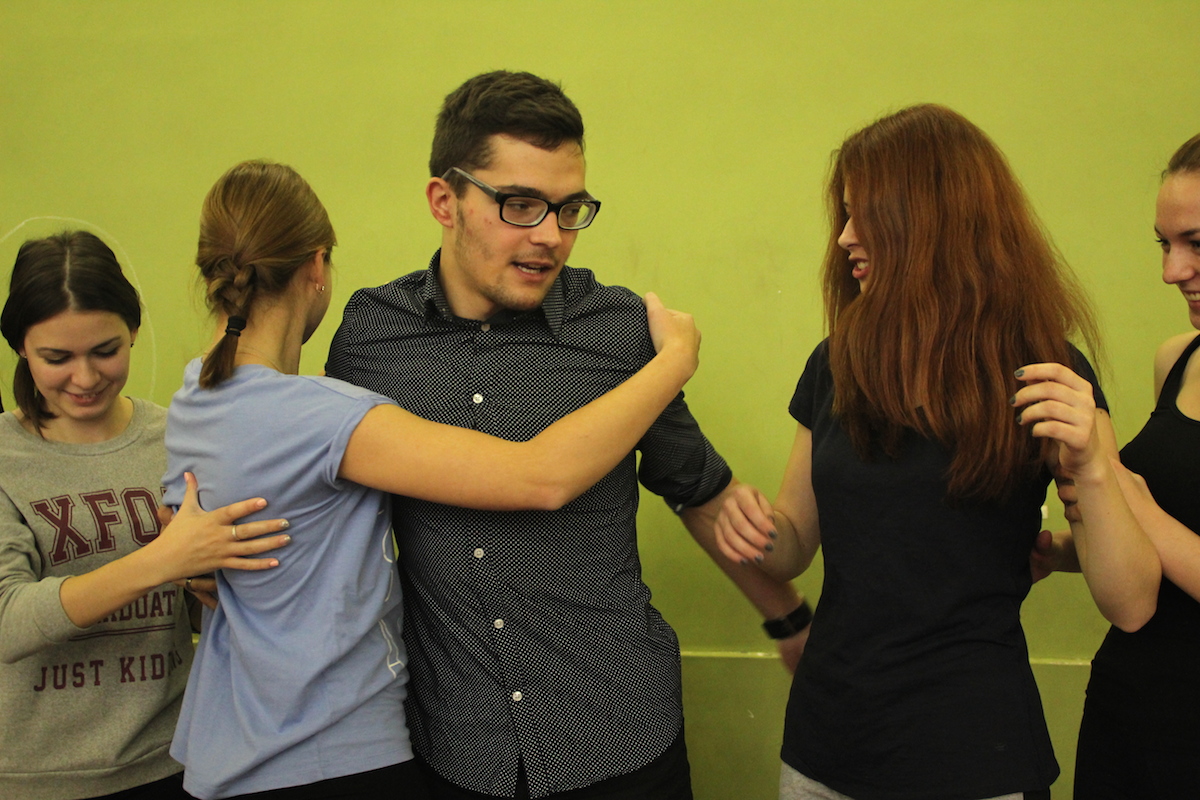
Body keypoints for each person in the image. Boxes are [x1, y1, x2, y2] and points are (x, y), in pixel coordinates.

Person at [325, 70, 807, 800]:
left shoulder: (617, 332)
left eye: (570, 208)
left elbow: (699, 493)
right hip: (456, 746)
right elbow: (329, 499)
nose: (550, 236)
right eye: (519, 205)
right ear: (444, 201)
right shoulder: (371, 337)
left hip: (619, 738)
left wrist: (790, 620)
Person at [163, 158, 702, 800]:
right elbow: (540, 476)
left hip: (231, 742)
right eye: (518, 205)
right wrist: (675, 360)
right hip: (340, 748)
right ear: (317, 266)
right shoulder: (329, 414)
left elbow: (201, 561)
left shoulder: (192, 401)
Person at [713, 104, 1160, 800]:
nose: (844, 238)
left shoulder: (1047, 373)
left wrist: (1093, 470)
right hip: (826, 749)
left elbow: (1130, 603)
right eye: (844, 215)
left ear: (931, 221)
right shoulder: (835, 364)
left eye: (864, 216)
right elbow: (794, 543)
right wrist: (749, 527)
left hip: (975, 755)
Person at [0, 230, 291, 800]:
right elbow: (8, 620)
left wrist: (213, 588)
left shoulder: (178, 435)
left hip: (175, 760)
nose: (85, 378)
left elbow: (193, 612)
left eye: (105, 351)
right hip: (38, 778)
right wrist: (162, 560)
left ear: (133, 329)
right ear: (20, 348)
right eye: (57, 359)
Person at [1068, 133, 1200, 798]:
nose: (1173, 271)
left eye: (1196, 243)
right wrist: (1063, 549)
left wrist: (1129, 497)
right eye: (1164, 244)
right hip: (1132, 703)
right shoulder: (1178, 358)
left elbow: (1152, 510)